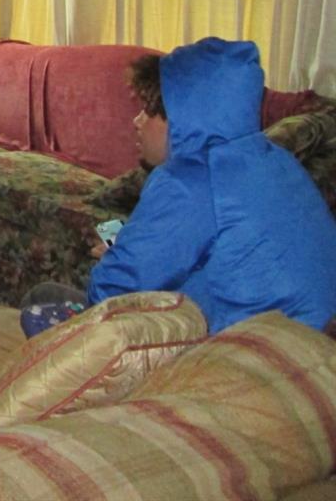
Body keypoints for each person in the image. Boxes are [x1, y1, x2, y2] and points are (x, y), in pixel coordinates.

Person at [24, 37, 336, 336]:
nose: (137, 121)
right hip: (307, 342)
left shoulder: (187, 182)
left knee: (42, 298)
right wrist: (134, 243)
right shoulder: (275, 161)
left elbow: (116, 288)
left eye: (149, 111)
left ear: (184, 120)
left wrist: (114, 260)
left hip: (237, 354)